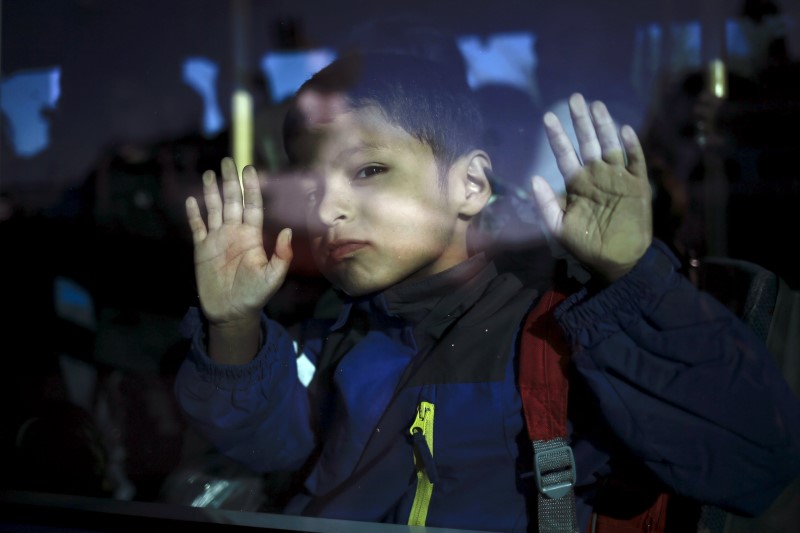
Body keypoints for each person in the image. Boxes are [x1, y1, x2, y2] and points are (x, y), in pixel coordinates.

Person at [174, 50, 800, 532]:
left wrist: (633, 278)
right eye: (310, 189)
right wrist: (234, 325)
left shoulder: (564, 334)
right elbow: (265, 446)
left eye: (368, 170)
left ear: (470, 185)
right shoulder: (341, 332)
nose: (328, 208)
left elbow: (751, 461)